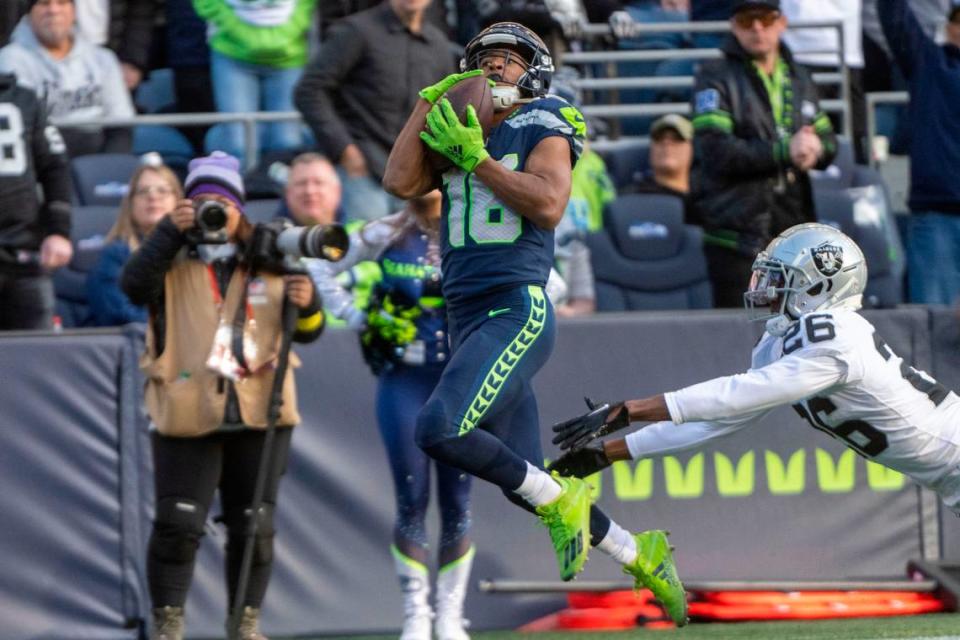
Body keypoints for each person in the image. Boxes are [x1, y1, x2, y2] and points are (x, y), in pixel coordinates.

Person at [381, 22, 688, 626]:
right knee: (529, 482)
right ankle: (638, 551)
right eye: (483, 61)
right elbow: (397, 181)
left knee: (439, 429)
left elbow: (548, 205)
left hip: (513, 305)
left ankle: (566, 505)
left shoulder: (547, 117)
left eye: (507, 60)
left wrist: (481, 163)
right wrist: (426, 103)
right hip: (466, 316)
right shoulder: (457, 128)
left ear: (535, 71)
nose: (493, 68)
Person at [549, 223, 960, 530]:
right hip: (947, 474)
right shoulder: (779, 341)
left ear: (819, 288)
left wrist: (632, 409)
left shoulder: (836, 334)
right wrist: (609, 453)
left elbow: (737, 395)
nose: (763, 286)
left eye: (779, 279)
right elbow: (720, 420)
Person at [120, 152, 325, 640]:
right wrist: (171, 230)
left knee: (255, 526)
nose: (214, 210)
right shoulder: (168, 255)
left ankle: (244, 626)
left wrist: (310, 304)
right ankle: (169, 626)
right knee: (177, 524)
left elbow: (311, 331)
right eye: (203, 202)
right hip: (187, 407)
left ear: (240, 208)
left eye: (223, 203)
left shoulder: (270, 252)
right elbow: (132, 286)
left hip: (261, 407)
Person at [309, 191, 475, 640]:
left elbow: (547, 282)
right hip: (405, 378)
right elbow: (318, 262)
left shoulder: (474, 228)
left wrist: (494, 327)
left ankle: (451, 615)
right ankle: (416, 616)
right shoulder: (383, 231)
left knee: (458, 499)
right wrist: (356, 315)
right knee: (411, 496)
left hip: (459, 381)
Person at [691, 0, 838, 308]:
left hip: (793, 229)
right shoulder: (714, 75)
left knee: (797, 332)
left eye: (765, 18)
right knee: (742, 336)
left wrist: (815, 150)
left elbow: (827, 138)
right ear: (733, 26)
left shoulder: (799, 76)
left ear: (781, 22)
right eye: (746, 20)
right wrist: (786, 150)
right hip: (736, 235)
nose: (757, 27)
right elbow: (716, 150)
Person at [293, 0, 454, 222]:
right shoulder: (355, 31)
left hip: (415, 174)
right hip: (364, 170)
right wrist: (344, 149)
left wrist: (436, 166)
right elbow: (309, 91)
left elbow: (446, 105)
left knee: (417, 255)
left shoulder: (438, 43)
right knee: (365, 251)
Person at [879, 0, 960, 305]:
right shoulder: (929, 63)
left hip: (935, 216)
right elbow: (895, 17)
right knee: (931, 331)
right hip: (937, 215)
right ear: (949, 27)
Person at [0, 0, 135, 157]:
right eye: (44, 3)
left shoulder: (103, 59)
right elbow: (22, 129)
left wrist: (107, 165)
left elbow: (121, 124)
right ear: (29, 14)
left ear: (74, 11)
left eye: (62, 3)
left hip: (97, 158)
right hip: (41, 159)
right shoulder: (9, 60)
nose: (53, 10)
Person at [193, 0, 316, 163]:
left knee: (287, 142)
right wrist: (232, 25)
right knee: (237, 145)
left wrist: (294, 25)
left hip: (290, 59)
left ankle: (277, 188)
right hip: (231, 54)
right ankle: (241, 187)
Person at [0, 71, 72, 330]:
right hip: (24, 248)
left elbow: (55, 166)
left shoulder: (25, 99)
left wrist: (59, 231)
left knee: (37, 355)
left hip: (24, 253)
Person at [87, 161, 183, 327]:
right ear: (131, 203)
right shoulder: (115, 254)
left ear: (178, 200)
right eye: (143, 191)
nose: (153, 197)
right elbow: (118, 314)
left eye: (162, 190)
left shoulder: (193, 251)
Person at [623, 114, 693, 222]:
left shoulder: (706, 200)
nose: (666, 143)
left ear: (692, 148)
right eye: (659, 138)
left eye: (677, 138)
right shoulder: (632, 199)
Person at [283, 152, 343, 226]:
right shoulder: (270, 236)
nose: (309, 191)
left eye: (318, 183)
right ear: (288, 193)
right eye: (301, 183)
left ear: (337, 191)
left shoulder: (357, 235)